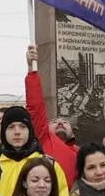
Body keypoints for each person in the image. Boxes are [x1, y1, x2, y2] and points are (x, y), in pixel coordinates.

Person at [21, 48, 78, 188]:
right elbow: (36, 106)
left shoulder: (81, 153)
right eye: (54, 122)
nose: (60, 122)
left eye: (65, 122)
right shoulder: (43, 140)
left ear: (73, 132)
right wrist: (31, 71)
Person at [0, 106, 70, 196]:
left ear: (30, 130)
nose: (17, 132)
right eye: (11, 127)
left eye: (22, 126)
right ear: (3, 132)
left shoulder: (49, 165)